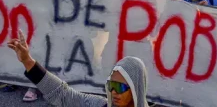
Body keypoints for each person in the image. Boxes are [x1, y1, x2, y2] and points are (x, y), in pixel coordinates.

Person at [9, 29, 149, 107]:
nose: (113, 92)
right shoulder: (99, 105)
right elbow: (63, 94)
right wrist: (27, 61)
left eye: (121, 87)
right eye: (111, 85)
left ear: (136, 87)